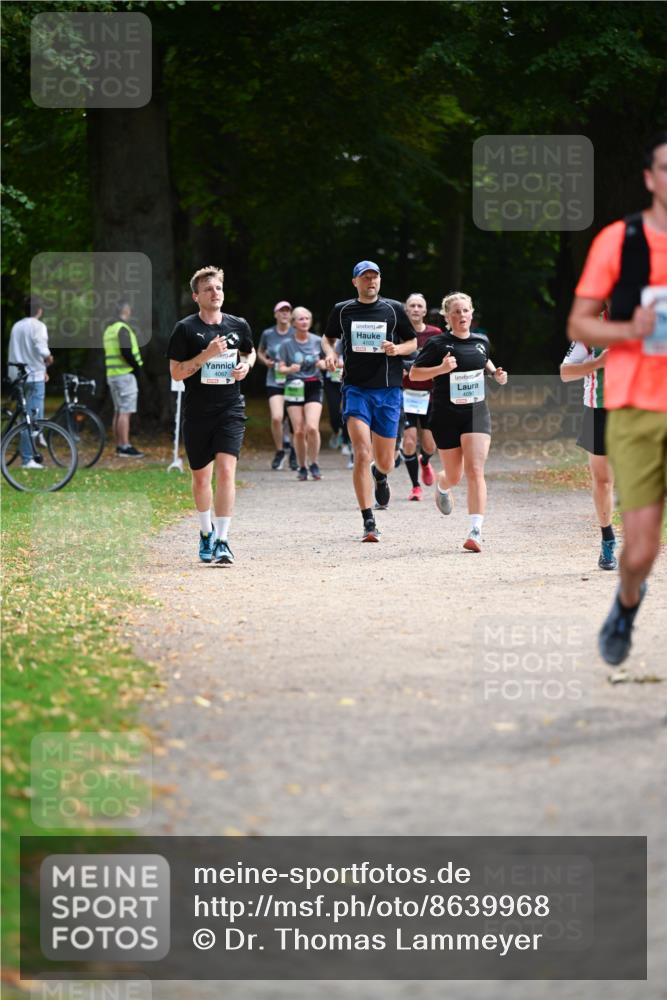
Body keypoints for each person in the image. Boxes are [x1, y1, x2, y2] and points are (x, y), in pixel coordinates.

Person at [567, 131, 667, 666]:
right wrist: (630, 331)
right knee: (642, 550)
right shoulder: (619, 240)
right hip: (635, 406)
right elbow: (580, 323)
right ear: (650, 178)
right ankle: (627, 602)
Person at [321, 260, 417, 541]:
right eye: (365, 277)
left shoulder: (393, 309)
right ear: (355, 282)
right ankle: (368, 521)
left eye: (375, 277)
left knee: (386, 461)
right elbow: (327, 338)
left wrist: (396, 348)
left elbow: (412, 343)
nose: (371, 281)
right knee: (362, 453)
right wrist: (330, 353)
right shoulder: (343, 310)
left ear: (380, 280)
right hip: (356, 389)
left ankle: (380, 474)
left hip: (388, 390)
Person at [167, 266, 256, 566]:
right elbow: (176, 373)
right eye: (208, 289)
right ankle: (206, 532)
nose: (214, 293)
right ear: (196, 296)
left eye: (218, 288)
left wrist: (246, 366)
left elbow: (249, 352)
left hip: (231, 408)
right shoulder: (184, 329)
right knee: (202, 478)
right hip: (198, 411)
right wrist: (206, 354)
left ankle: (222, 540)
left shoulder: (238, 324)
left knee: (227, 472)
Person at [410, 291, 508, 552]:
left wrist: (496, 374)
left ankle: (475, 531)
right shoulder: (437, 344)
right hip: (445, 415)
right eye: (456, 312)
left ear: (471, 313)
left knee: (475, 469)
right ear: (447, 316)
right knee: (455, 475)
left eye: (465, 310)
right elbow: (415, 373)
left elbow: (484, 359)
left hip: (476, 412)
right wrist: (441, 369)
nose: (462, 315)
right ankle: (443, 485)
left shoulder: (481, 340)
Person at [560, 323, 617, 570]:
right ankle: (608, 540)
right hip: (599, 411)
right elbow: (565, 372)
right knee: (603, 481)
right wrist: (598, 362)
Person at [278, 306, 327, 480]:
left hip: (314, 385)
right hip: (294, 387)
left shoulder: (318, 341)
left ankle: (314, 463)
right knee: (298, 431)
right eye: (300, 319)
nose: (304, 321)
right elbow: (280, 368)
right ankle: (302, 466)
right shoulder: (286, 345)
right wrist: (289, 369)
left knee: (312, 428)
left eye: (307, 318)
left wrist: (323, 364)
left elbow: (329, 361)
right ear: (293, 323)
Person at [401, 293, 440, 500]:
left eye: (419, 306)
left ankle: (424, 461)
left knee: (430, 445)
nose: (415, 309)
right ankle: (415, 487)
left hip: (429, 395)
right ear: (406, 309)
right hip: (405, 394)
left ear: (425, 311)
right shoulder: (398, 332)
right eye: (412, 305)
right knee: (409, 441)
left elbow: (444, 362)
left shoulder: (435, 334)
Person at [7, 294, 53, 468]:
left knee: (24, 415)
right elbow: (41, 349)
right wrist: (49, 359)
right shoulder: (38, 326)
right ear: (39, 310)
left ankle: (30, 441)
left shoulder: (17, 326)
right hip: (33, 376)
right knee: (33, 418)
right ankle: (28, 458)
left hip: (16, 376)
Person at [257, 300, 297, 471]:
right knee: (276, 417)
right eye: (281, 311)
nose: (285, 313)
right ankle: (280, 451)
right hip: (274, 380)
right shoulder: (268, 334)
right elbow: (260, 351)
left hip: (295, 381)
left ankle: (294, 452)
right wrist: (265, 361)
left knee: (295, 421)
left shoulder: (296, 332)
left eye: (287, 311)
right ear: (275, 314)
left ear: (291, 314)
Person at [103, 301, 145, 458]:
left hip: (112, 374)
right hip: (125, 374)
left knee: (118, 410)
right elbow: (126, 352)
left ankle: (119, 445)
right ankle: (125, 446)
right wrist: (136, 367)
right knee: (125, 412)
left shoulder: (109, 329)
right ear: (126, 311)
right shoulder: (122, 328)